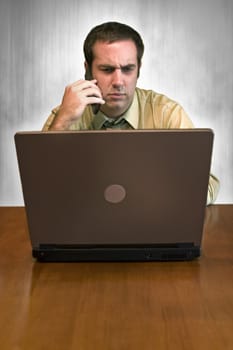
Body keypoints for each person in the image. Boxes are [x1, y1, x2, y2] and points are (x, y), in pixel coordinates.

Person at [42, 21, 219, 205]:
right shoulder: (65, 115)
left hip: (152, 224)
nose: (118, 81)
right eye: (107, 69)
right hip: (85, 228)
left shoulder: (167, 113)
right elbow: (39, 188)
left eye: (127, 69)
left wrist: (157, 198)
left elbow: (206, 186)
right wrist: (62, 122)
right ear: (87, 70)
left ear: (139, 69)